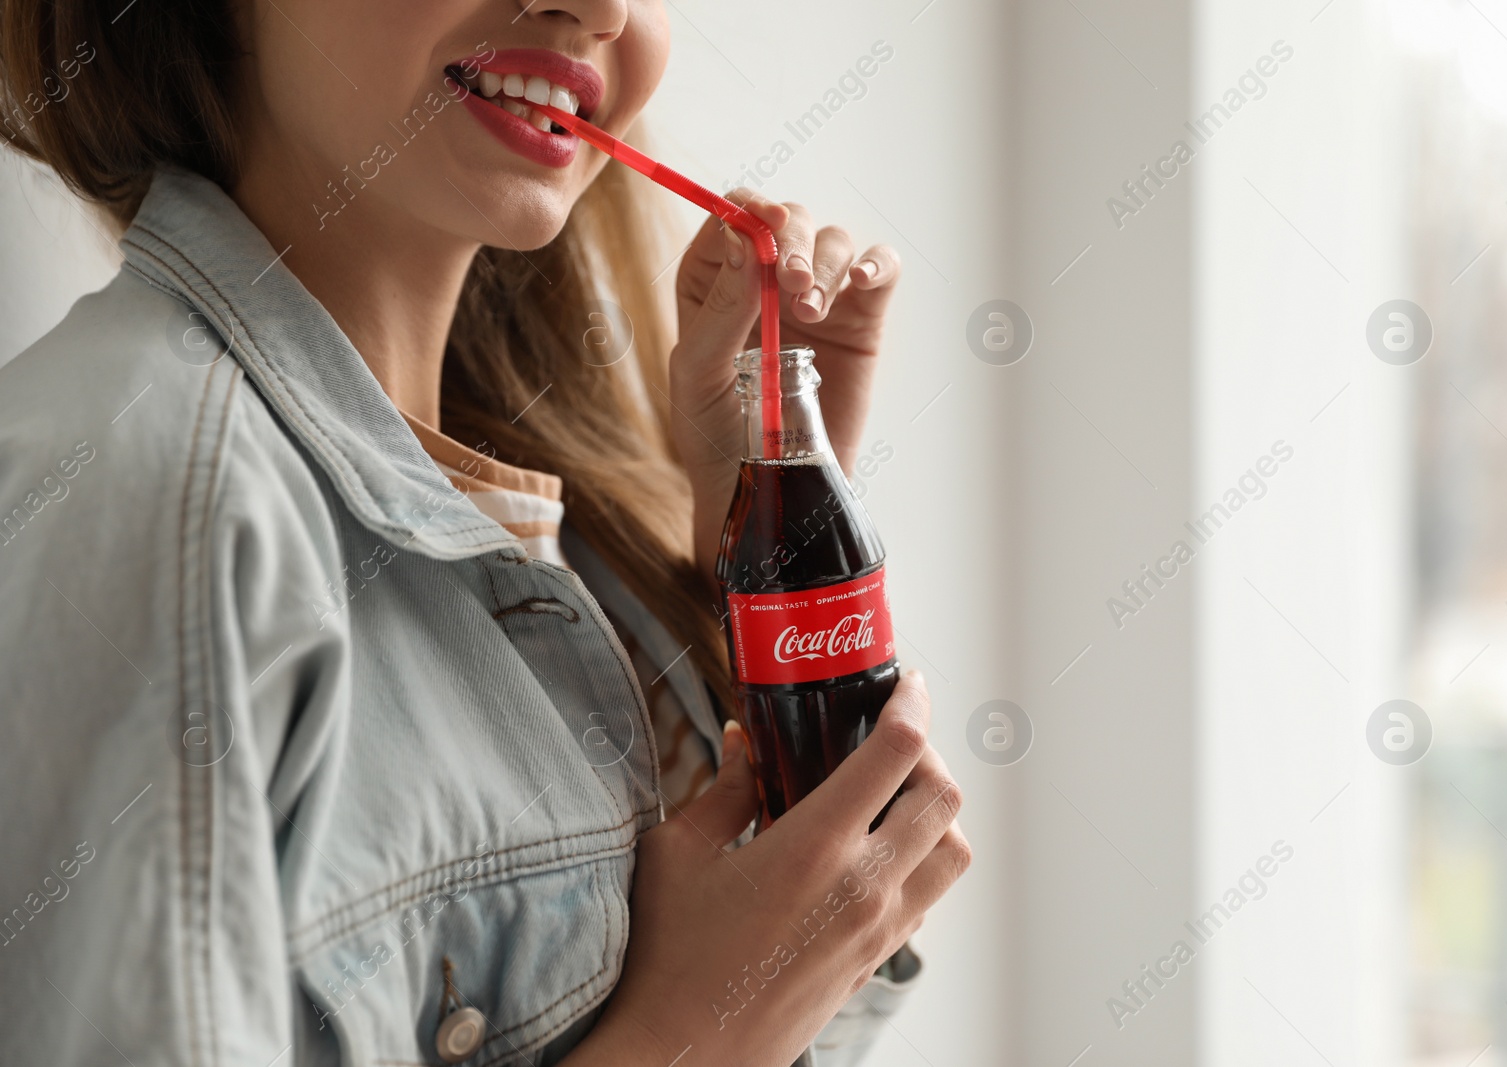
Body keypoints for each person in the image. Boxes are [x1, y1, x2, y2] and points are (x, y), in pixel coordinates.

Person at [0, 1, 971, 1065]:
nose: (598, 8)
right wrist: (687, 1038)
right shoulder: (147, 514)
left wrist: (754, 559)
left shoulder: (579, 549)